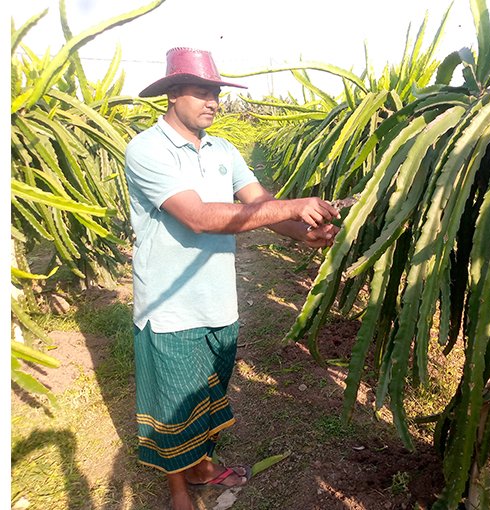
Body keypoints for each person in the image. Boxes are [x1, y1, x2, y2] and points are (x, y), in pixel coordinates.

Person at [124, 47, 340, 510]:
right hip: (170, 306)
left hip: (219, 299)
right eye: (202, 91)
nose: (212, 101)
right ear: (172, 94)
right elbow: (198, 216)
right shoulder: (146, 149)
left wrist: (302, 232)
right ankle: (178, 490)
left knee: (209, 392)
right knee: (175, 404)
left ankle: (202, 466)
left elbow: (258, 200)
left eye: (216, 93)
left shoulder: (224, 150)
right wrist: (289, 207)